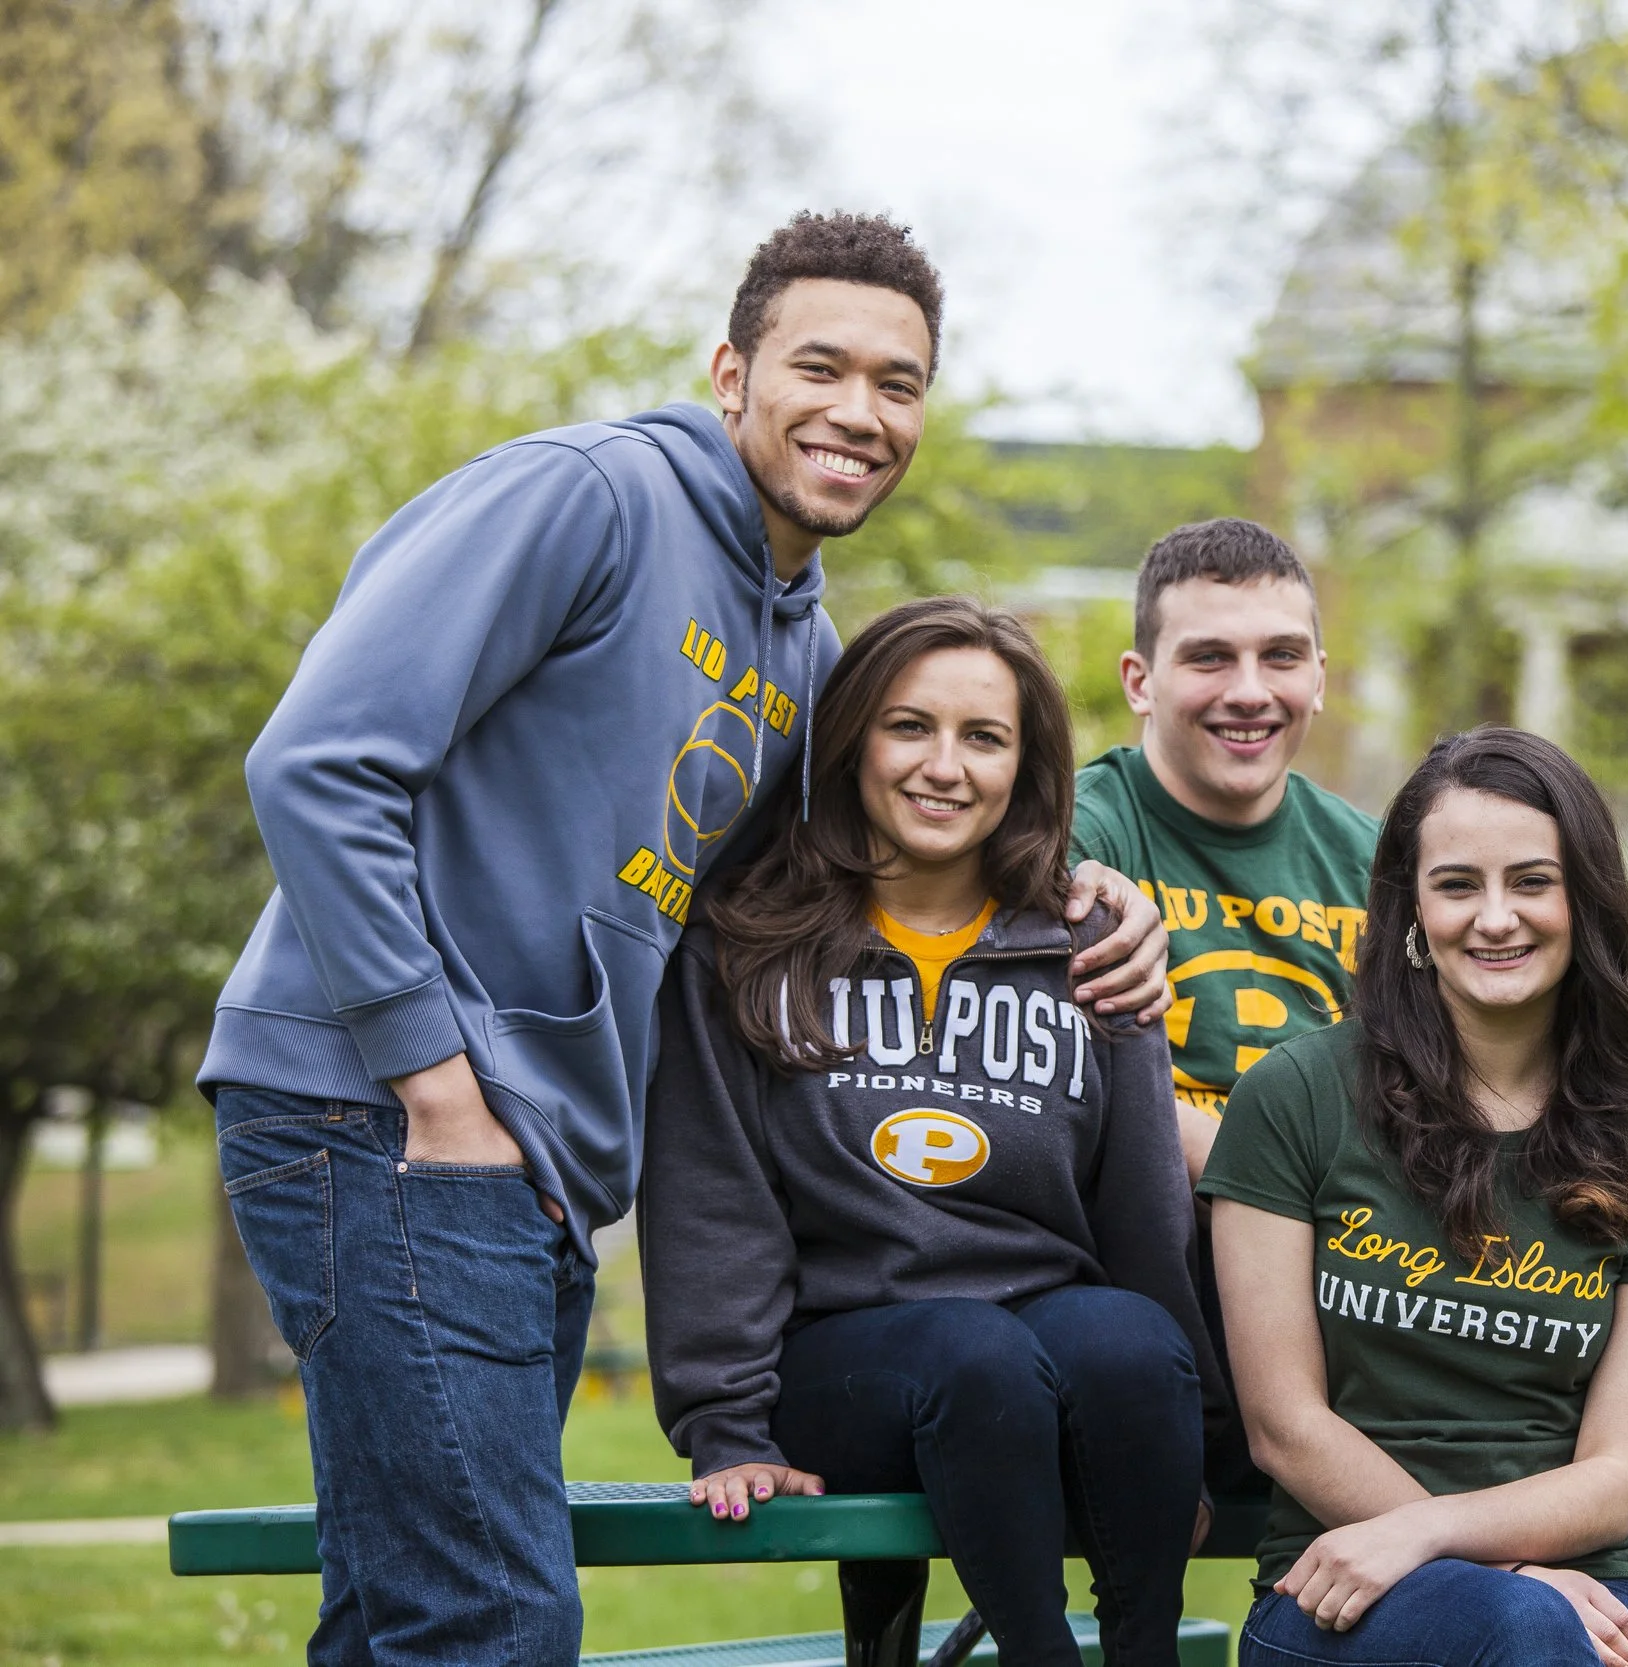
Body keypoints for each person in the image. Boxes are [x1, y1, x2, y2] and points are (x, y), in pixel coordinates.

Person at [200, 213, 1171, 1667]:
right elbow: (318, 763)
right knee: (491, 1619)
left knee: (402, 1607)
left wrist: (1095, 891)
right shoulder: (588, 498)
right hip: (380, 1121)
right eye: (820, 366)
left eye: (898, 383)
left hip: (531, 1174)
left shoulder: (800, 643)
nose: (860, 412)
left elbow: (885, 843)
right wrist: (440, 1090)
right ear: (732, 371)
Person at [641, 597, 1216, 1667]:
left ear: (1025, 763)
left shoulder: (1092, 941)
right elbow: (708, 1191)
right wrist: (726, 1423)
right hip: (841, 1356)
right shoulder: (746, 942)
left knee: (1134, 1342)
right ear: (851, 736)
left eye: (983, 736)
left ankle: (1147, 1652)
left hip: (1048, 1327)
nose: (944, 766)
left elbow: (1141, 1200)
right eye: (910, 725)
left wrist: (1189, 1426)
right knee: (973, 1352)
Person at [1202, 727, 1628, 1667]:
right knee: (1521, 1629)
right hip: (1347, 1584)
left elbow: (1614, 1478)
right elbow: (1285, 1426)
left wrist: (1456, 1541)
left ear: (1584, 901)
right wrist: (1494, 1571)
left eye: (1531, 881)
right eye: (1456, 885)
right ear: (1412, 907)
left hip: (1591, 1581)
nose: (1494, 917)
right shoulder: (1297, 1098)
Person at [1072, 517, 1379, 1180]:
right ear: (1139, 681)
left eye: (1282, 656)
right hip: (1134, 1241)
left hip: (1337, 1238)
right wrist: (1273, 1193)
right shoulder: (1074, 835)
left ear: (1319, 679)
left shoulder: (1380, 864)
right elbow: (1070, 1084)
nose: (1248, 692)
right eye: (1209, 657)